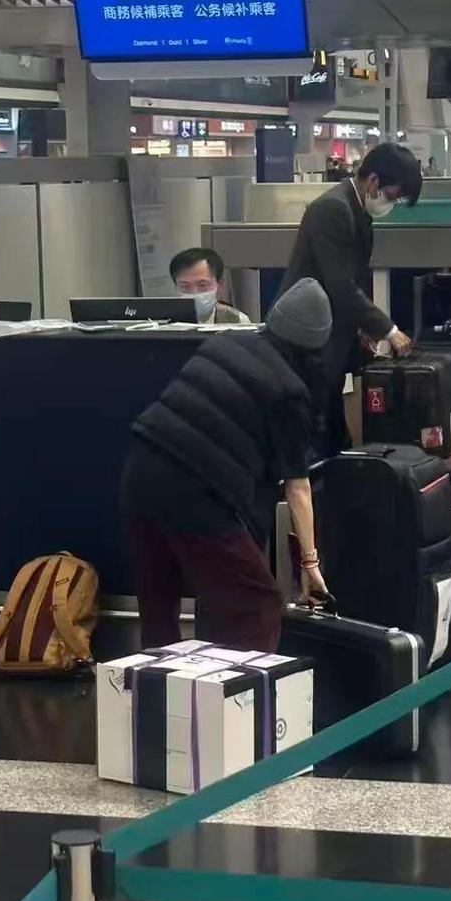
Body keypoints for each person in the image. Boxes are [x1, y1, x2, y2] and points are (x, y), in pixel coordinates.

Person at [121, 278, 332, 651]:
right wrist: (310, 563)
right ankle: (240, 690)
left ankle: (156, 687)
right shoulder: (289, 391)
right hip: (194, 493)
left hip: (139, 473)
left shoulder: (224, 342)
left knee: (159, 607)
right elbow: (297, 487)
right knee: (257, 605)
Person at [282, 141, 424, 456]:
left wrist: (361, 328)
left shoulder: (355, 210)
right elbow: (341, 285)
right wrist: (388, 330)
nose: (391, 204)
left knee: (332, 431)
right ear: (373, 181)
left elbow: (352, 278)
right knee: (315, 432)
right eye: (392, 196)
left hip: (329, 334)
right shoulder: (333, 209)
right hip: (306, 339)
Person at [168, 246, 251, 326]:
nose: (194, 293)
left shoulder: (237, 320)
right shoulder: (165, 320)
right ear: (176, 287)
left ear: (219, 284)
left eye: (202, 285)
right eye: (185, 286)